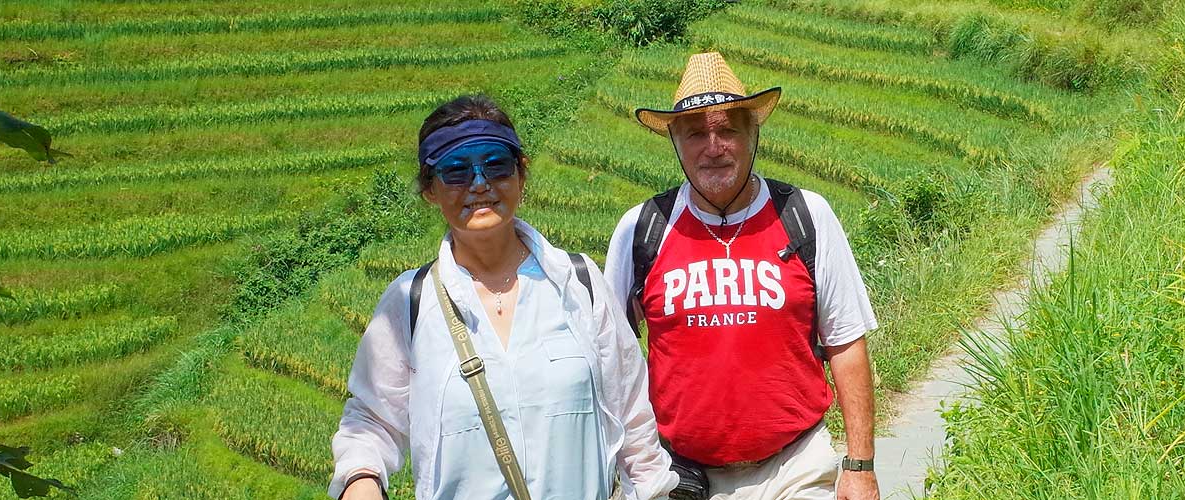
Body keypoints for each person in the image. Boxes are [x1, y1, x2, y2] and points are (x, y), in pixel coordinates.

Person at [330, 94, 678, 500]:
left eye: (496, 165)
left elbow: (634, 421)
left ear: (521, 175)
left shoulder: (579, 284)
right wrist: (361, 478)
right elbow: (372, 420)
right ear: (430, 189)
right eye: (456, 171)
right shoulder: (411, 301)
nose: (479, 184)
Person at [605, 53, 881, 500]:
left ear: (753, 135)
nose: (713, 146)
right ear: (675, 141)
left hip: (795, 465)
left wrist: (860, 465)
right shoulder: (642, 229)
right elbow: (611, 357)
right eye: (695, 132)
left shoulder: (805, 215)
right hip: (679, 474)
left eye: (728, 129)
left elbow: (846, 341)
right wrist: (631, 466)